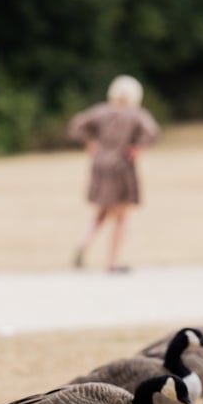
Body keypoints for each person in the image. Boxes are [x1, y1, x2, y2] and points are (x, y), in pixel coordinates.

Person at [69, 75, 159, 273]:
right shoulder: (135, 114)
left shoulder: (101, 111)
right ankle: (112, 261)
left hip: (100, 167)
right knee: (121, 217)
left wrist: (90, 143)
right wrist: (138, 147)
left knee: (101, 212)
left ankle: (83, 244)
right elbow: (152, 131)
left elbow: (76, 125)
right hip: (121, 168)